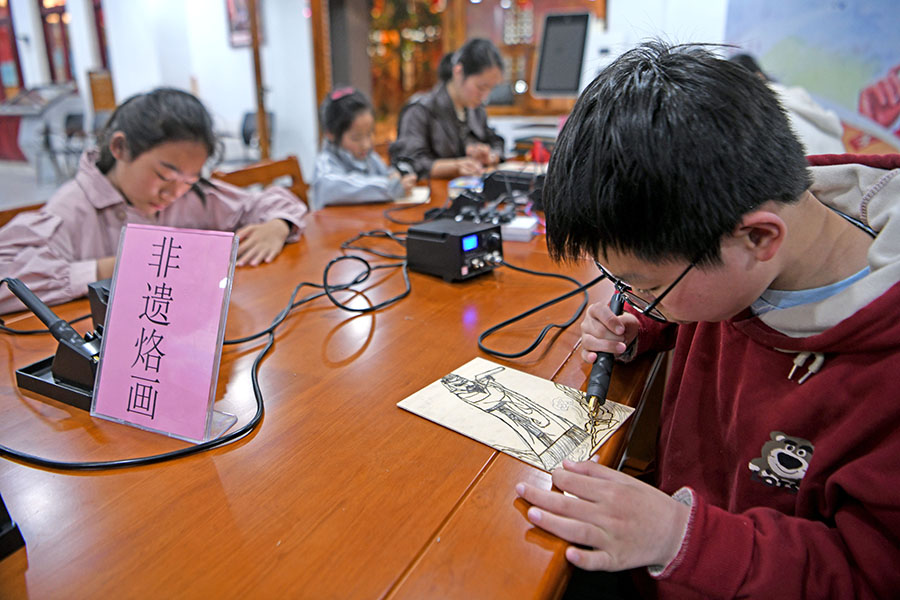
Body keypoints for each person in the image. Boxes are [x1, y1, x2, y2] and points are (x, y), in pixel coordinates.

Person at [516, 40, 900, 598]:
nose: (632, 299)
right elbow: (713, 294)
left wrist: (681, 536)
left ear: (759, 237)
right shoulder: (745, 226)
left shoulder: (883, 376)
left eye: (646, 287)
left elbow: (871, 573)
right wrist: (646, 327)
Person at [0, 88, 308, 315]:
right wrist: (118, 265)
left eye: (188, 180)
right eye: (164, 175)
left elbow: (270, 201)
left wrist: (278, 226)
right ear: (120, 148)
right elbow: (7, 279)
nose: (174, 193)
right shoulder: (73, 210)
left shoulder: (192, 197)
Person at [389, 38, 505, 179]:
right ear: (458, 72)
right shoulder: (420, 110)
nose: (485, 96)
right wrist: (456, 166)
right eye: (481, 87)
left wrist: (490, 155)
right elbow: (409, 161)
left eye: (490, 89)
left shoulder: (476, 110)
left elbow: (496, 141)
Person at [310, 87, 416, 211]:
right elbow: (330, 186)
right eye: (356, 138)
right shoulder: (325, 163)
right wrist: (390, 187)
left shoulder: (369, 157)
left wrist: (400, 174)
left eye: (370, 133)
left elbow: (387, 175)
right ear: (331, 135)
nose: (366, 144)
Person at [729, 53, 845, 155]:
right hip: (846, 168)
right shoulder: (797, 94)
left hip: (813, 174)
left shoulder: (758, 105)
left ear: (759, 76)